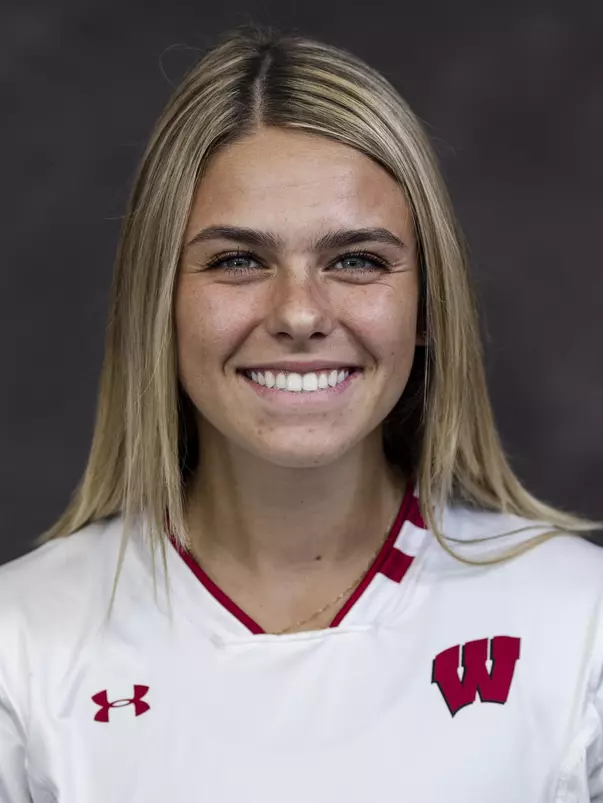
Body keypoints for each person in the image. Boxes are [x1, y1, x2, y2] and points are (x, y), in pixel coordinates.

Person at [0, 22, 601, 803]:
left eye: (355, 259)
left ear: (426, 306)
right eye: (237, 260)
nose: (298, 314)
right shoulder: (23, 640)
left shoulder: (579, 621)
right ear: (160, 303)